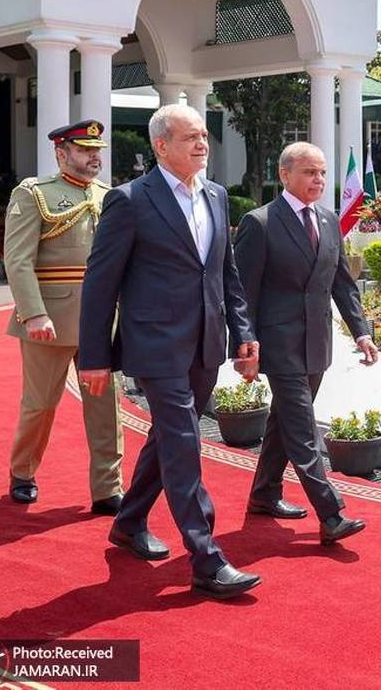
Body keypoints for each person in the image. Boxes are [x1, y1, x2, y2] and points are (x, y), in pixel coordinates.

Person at [78, 105, 263, 600]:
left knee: (166, 437)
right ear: (161, 146)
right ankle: (206, 558)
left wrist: (243, 332)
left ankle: (129, 521)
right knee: (184, 441)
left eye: (204, 136)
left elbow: (226, 273)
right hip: (154, 344)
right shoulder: (129, 201)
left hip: (206, 342)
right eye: (190, 137)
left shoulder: (217, 196)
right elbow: (100, 284)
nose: (203, 144)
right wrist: (94, 357)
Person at [232, 142, 377, 545]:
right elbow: (243, 293)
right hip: (278, 345)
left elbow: (341, 283)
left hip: (317, 344)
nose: (319, 180)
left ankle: (264, 494)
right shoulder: (260, 223)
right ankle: (331, 513)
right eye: (310, 172)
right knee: (302, 429)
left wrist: (361, 331)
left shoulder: (328, 220)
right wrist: (244, 347)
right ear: (285, 174)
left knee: (284, 421)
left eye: (322, 173)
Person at [2, 119, 124, 512]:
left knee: (106, 407)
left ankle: (108, 488)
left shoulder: (110, 196)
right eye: (85, 150)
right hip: (50, 319)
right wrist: (33, 313)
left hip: (101, 319)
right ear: (61, 153)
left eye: (97, 151)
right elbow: (18, 260)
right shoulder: (35, 193)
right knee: (40, 404)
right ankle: (23, 472)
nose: (94, 157)